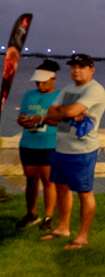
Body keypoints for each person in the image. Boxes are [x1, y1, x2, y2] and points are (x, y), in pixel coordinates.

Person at [39, 54, 105, 250]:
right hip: (61, 148)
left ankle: (83, 236)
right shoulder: (67, 89)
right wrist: (67, 111)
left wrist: (64, 112)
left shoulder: (95, 90)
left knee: (84, 192)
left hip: (82, 150)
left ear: (91, 70)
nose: (76, 70)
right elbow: (50, 113)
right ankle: (63, 228)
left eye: (81, 67)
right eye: (73, 66)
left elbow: (65, 112)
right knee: (61, 188)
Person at [15, 60, 61, 230]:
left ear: (53, 79)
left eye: (43, 82)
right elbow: (21, 116)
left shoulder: (61, 96)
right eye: (37, 82)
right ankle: (31, 214)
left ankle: (48, 217)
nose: (40, 85)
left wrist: (41, 120)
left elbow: (63, 120)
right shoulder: (29, 95)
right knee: (31, 179)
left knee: (49, 181)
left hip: (50, 143)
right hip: (28, 142)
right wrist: (22, 121)